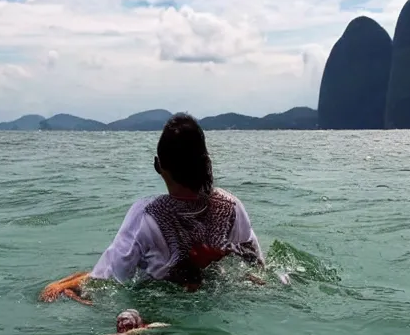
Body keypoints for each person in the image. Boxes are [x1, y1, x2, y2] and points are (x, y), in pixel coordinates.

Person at [39, 113, 264, 305]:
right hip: (219, 302)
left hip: (165, 308)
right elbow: (257, 265)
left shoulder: (147, 214)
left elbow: (107, 280)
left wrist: (63, 287)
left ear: (158, 166)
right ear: (205, 162)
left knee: (55, 291)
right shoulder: (232, 206)